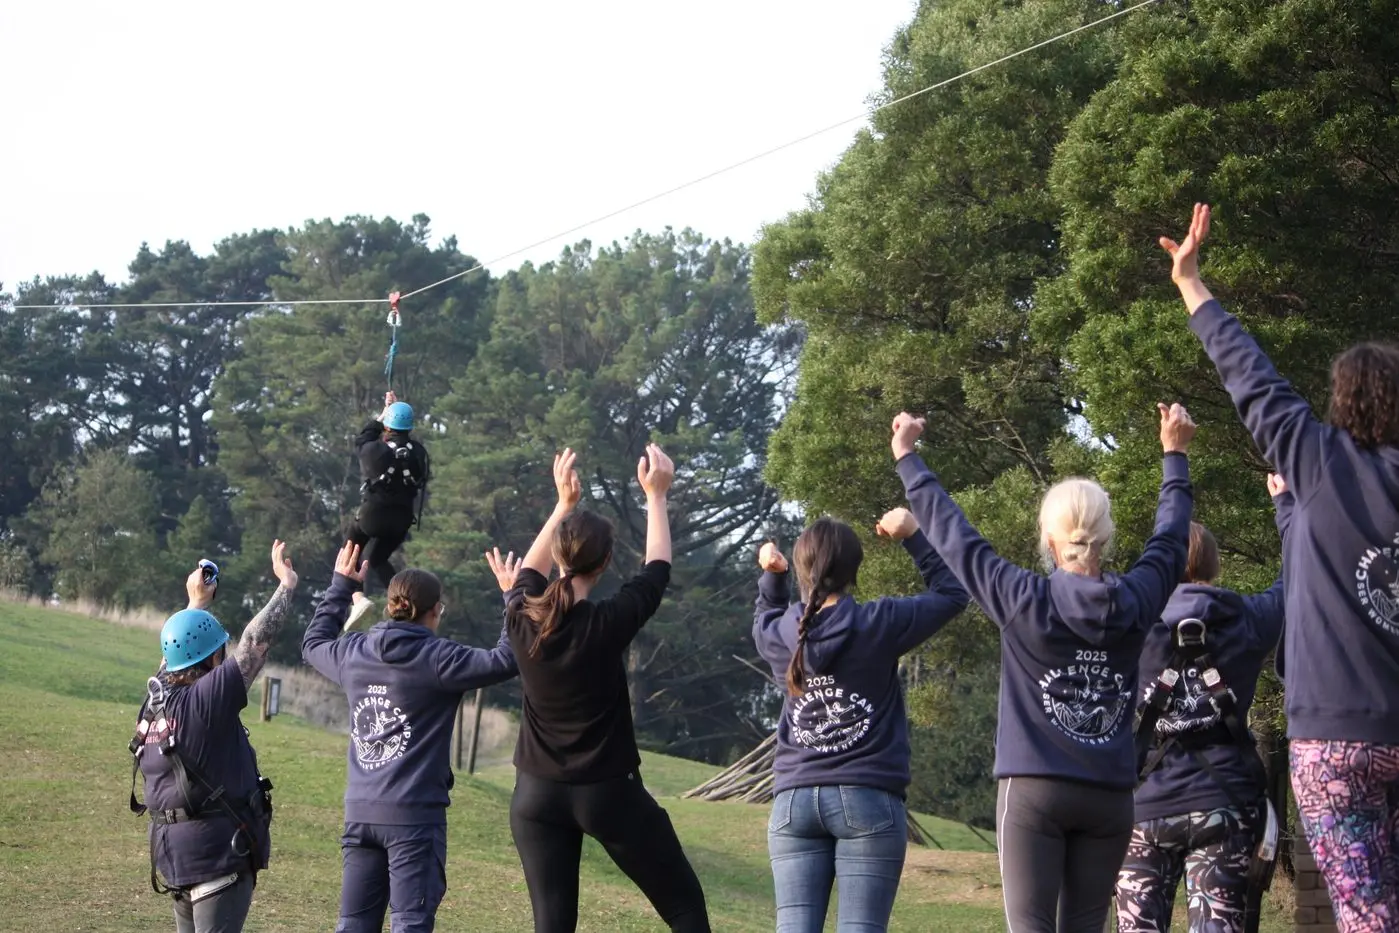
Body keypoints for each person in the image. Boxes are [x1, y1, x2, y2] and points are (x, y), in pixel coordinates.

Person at [1162, 203, 1399, 933]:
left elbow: (1247, 372)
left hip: (1330, 737)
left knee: (1366, 914)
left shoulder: (1312, 455)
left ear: (1337, 402)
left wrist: (1191, 282)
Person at [891, 404, 1196, 933]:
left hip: (1033, 792)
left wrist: (908, 458)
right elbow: (1170, 541)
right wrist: (1174, 455)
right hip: (1109, 795)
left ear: (1050, 540)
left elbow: (955, 536)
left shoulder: (1020, 597)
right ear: (1105, 538)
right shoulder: (1140, 598)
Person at [499, 445, 711, 933]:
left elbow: (527, 576)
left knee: (552, 926)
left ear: (558, 557)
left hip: (534, 796)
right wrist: (656, 497)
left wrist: (562, 506)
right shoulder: (608, 623)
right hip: (607, 793)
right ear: (607, 562)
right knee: (685, 909)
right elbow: (656, 570)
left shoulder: (520, 618)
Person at [752, 506, 969, 932]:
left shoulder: (780, 634)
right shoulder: (878, 622)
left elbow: (764, 619)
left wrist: (772, 577)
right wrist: (912, 536)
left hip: (793, 802)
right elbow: (952, 594)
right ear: (854, 569)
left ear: (802, 568)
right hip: (867, 798)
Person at [301, 541, 518, 933]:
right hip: (414, 820)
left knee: (353, 926)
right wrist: (512, 597)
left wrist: (339, 587)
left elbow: (313, 644)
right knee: (411, 925)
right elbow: (507, 658)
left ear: (390, 607)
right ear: (435, 611)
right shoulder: (440, 660)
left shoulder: (353, 652)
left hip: (360, 813)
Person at [1115, 474, 1292, 933]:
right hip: (1225, 804)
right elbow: (1296, 579)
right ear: (1214, 569)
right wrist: (1287, 509)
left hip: (1144, 807)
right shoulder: (1248, 620)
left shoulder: (1134, 622)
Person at [130, 542, 299, 933]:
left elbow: (173, 655)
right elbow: (256, 641)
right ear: (209, 660)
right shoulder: (206, 702)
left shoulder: (155, 700)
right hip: (216, 859)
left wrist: (195, 604)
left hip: (174, 858)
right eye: (218, 651)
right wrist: (285, 587)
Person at [346, 390, 431, 630]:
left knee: (350, 551)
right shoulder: (419, 453)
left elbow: (363, 438)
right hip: (401, 521)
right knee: (377, 559)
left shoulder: (375, 450)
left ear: (387, 426)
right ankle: (404, 601)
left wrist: (381, 415)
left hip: (374, 515)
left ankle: (357, 598)